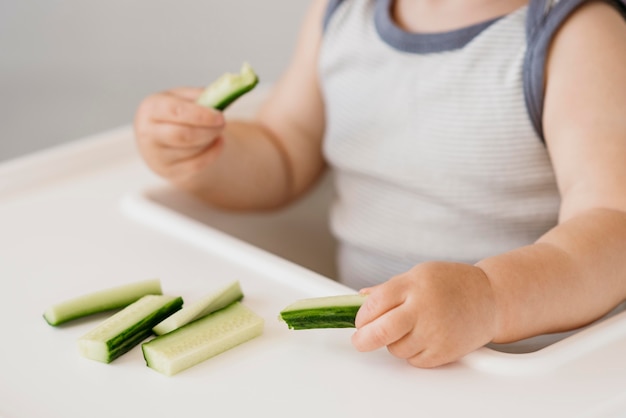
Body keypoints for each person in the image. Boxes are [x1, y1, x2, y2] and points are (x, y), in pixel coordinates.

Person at [134, 0, 626, 368]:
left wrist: (490, 297)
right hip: (362, 353)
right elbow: (282, 154)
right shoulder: (343, 14)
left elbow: (612, 226)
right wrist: (205, 156)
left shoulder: (578, 35)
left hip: (515, 368)